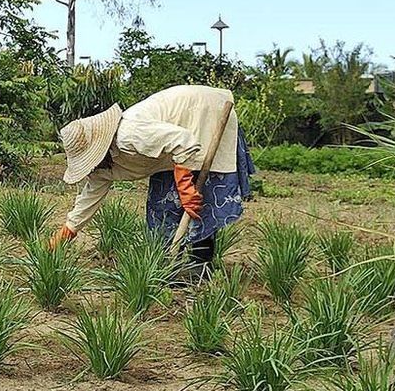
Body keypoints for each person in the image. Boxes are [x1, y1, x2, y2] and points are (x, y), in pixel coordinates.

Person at [49, 83, 254, 276]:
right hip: (171, 150)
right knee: (162, 206)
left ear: (100, 148)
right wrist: (58, 241)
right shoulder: (102, 167)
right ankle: (168, 264)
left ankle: (199, 265)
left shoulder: (129, 135)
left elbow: (182, 141)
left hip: (203, 115)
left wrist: (185, 186)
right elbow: (86, 203)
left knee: (203, 199)